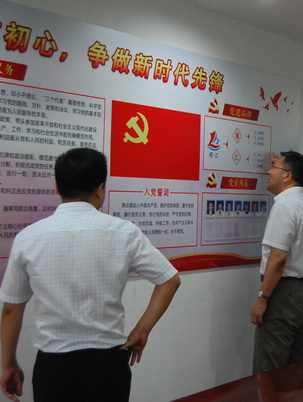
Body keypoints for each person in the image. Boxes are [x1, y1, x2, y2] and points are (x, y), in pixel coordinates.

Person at [0, 148, 181, 402]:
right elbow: (169, 280)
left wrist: (8, 364)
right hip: (108, 364)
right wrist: (142, 330)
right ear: (100, 189)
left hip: (54, 366)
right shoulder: (124, 232)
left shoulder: (29, 237)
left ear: (57, 187)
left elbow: (11, 309)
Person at [250, 151, 303, 373]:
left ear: (287, 176)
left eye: (274, 167)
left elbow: (278, 258)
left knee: (269, 369)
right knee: (297, 370)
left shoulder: (285, 205)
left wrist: (263, 298)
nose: (268, 171)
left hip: (284, 293)